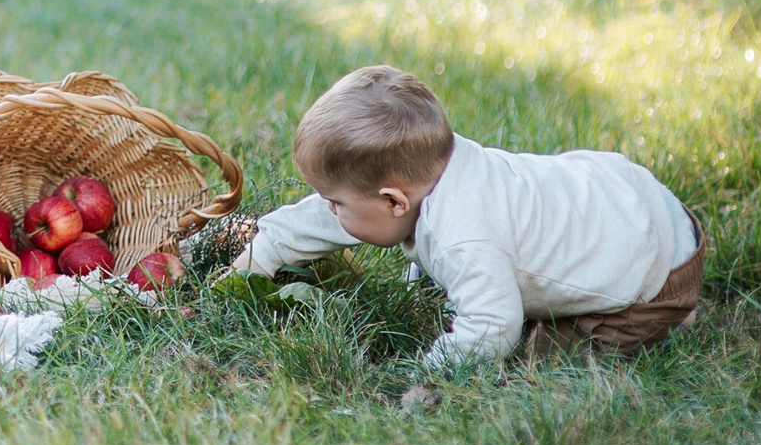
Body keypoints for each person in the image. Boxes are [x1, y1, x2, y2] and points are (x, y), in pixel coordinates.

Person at [235, 65, 704, 363]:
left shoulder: (465, 236)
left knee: (542, 349)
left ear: (395, 202)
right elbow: (323, 218)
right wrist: (265, 250)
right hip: (626, 193)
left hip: (655, 265)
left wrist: (431, 366)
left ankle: (669, 317)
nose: (330, 212)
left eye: (336, 203)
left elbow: (493, 329)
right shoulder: (437, 167)